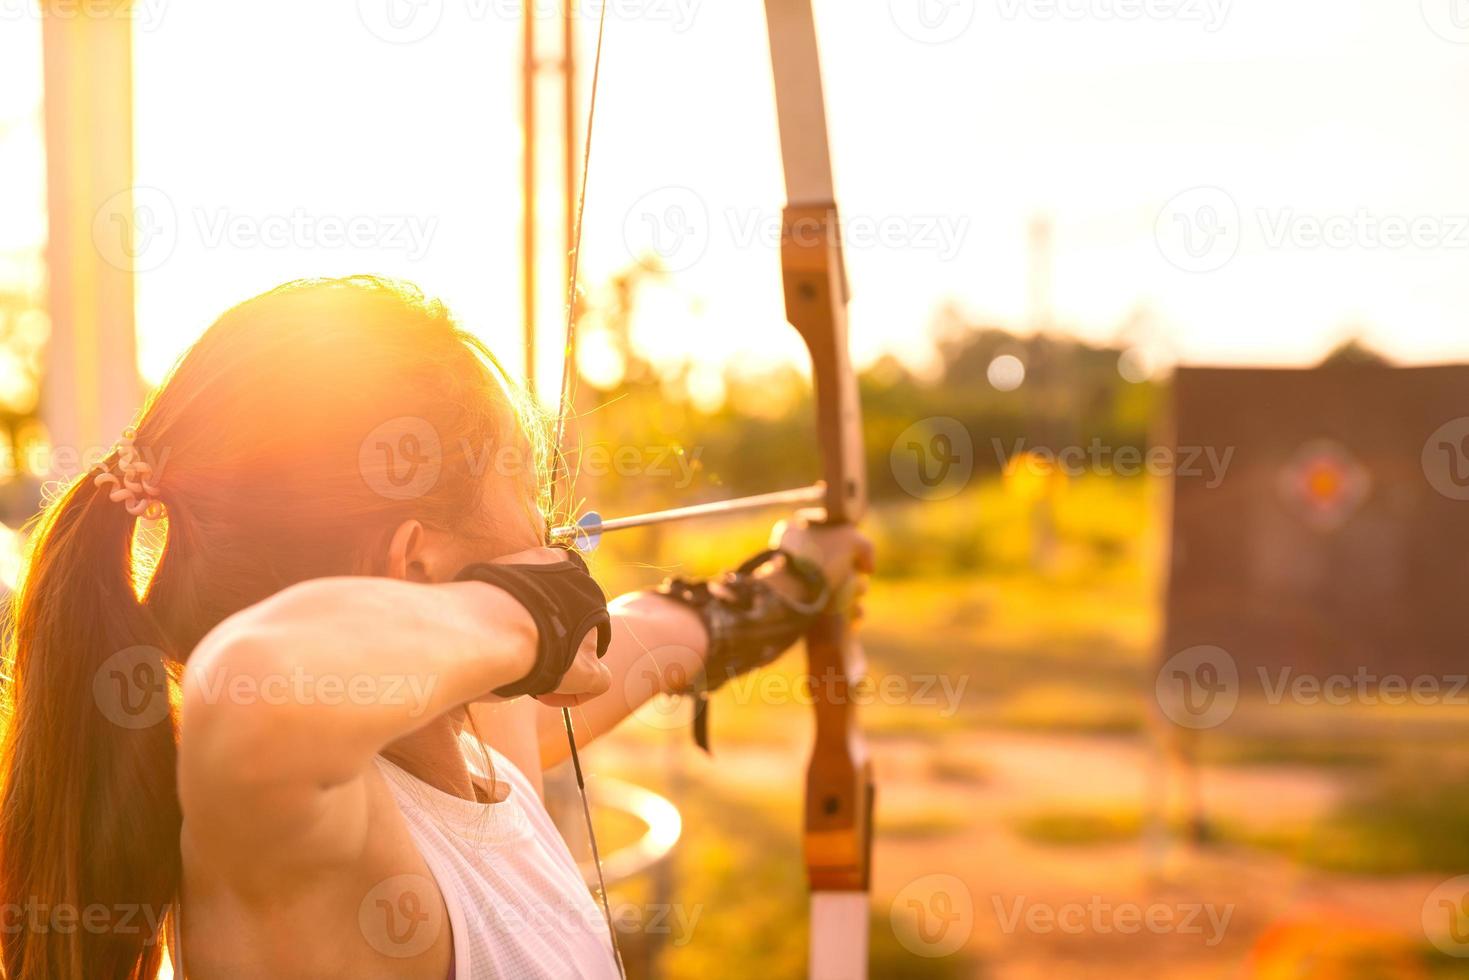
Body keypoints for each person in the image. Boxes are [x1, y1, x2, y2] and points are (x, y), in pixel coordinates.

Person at [0, 277, 870, 980]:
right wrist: (536, 612)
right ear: (417, 563)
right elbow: (258, 679)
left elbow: (650, 639)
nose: (549, 527)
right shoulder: (322, 845)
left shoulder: (483, 749)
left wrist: (788, 586)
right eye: (526, 483)